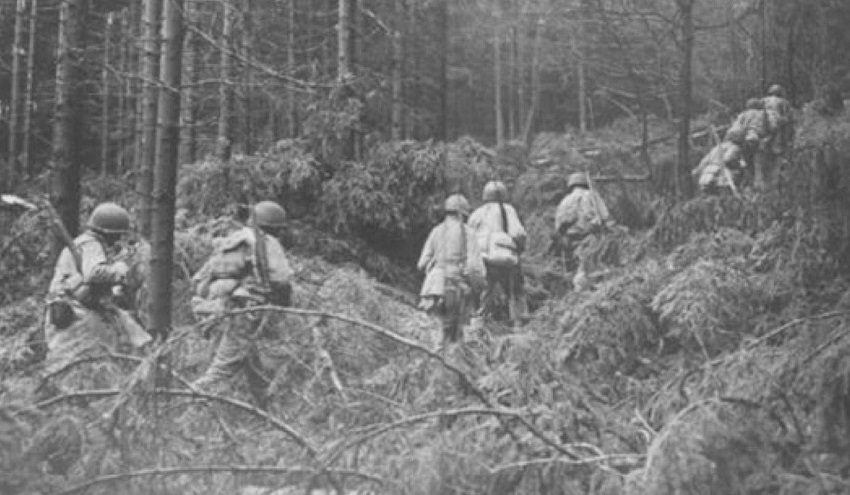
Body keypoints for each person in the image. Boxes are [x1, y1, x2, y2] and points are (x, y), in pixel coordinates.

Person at [191, 200, 294, 404]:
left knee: (253, 365)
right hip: (247, 312)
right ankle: (184, 400)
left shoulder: (233, 240)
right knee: (222, 368)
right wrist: (284, 306)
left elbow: (199, 279)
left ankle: (266, 410)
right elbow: (281, 280)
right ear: (274, 227)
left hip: (222, 310)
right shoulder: (266, 243)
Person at [45, 202, 152, 352]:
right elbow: (93, 273)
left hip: (76, 309)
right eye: (117, 234)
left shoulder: (84, 244)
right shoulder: (91, 244)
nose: (118, 238)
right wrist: (119, 271)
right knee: (86, 356)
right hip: (74, 312)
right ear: (109, 232)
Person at [417, 194, 485, 349]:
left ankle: (437, 361)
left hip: (434, 287)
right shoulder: (468, 232)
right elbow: (475, 267)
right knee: (457, 339)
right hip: (458, 285)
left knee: (438, 336)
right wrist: (479, 286)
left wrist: (433, 266)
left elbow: (421, 264)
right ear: (462, 213)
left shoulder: (435, 231)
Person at [467, 181, 529, 326]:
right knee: (515, 292)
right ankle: (519, 326)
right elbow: (518, 233)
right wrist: (520, 247)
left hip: (483, 259)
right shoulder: (507, 209)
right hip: (505, 258)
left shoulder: (477, 213)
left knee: (485, 293)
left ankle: (477, 326)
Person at [554, 172, 616, 269]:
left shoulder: (564, 201)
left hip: (569, 240)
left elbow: (558, 226)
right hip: (590, 236)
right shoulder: (591, 195)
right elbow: (605, 216)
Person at [691, 128, 746, 196]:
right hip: (721, 176)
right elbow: (727, 159)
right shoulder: (734, 148)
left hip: (707, 175)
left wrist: (697, 171)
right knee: (724, 198)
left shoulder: (717, 148)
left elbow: (704, 161)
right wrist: (739, 165)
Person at [731, 98, 768, 184]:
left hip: (745, 140)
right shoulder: (762, 114)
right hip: (758, 139)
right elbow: (767, 126)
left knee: (746, 163)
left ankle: (747, 183)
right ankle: (759, 186)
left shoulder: (743, 114)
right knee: (758, 164)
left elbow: (737, 127)